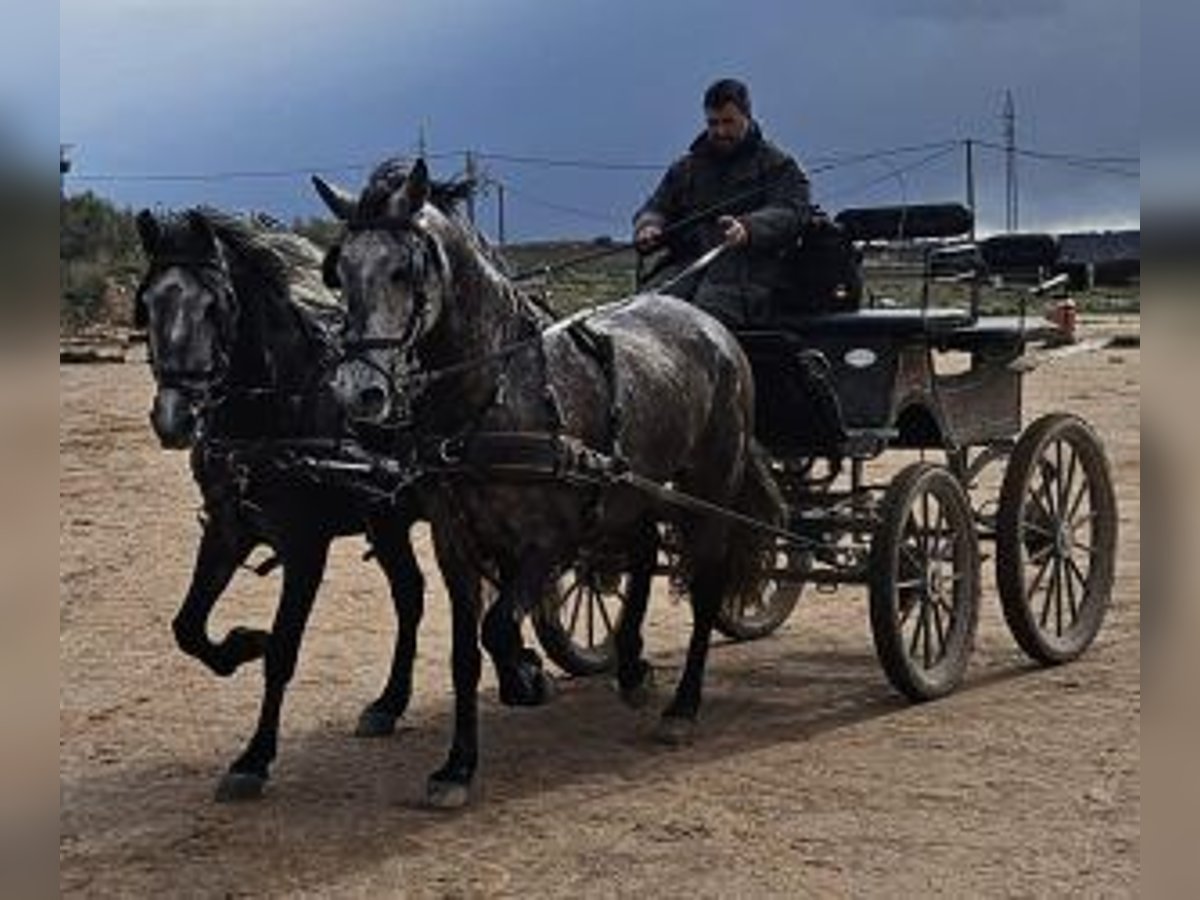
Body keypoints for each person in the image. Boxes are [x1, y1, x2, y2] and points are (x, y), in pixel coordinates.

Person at [633, 78, 811, 327]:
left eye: (728, 122)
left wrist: (748, 227)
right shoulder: (686, 168)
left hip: (751, 279)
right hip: (687, 268)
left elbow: (793, 212)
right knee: (641, 314)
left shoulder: (778, 165)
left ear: (747, 117)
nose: (720, 131)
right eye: (712, 123)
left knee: (698, 324)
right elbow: (657, 206)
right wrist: (649, 226)